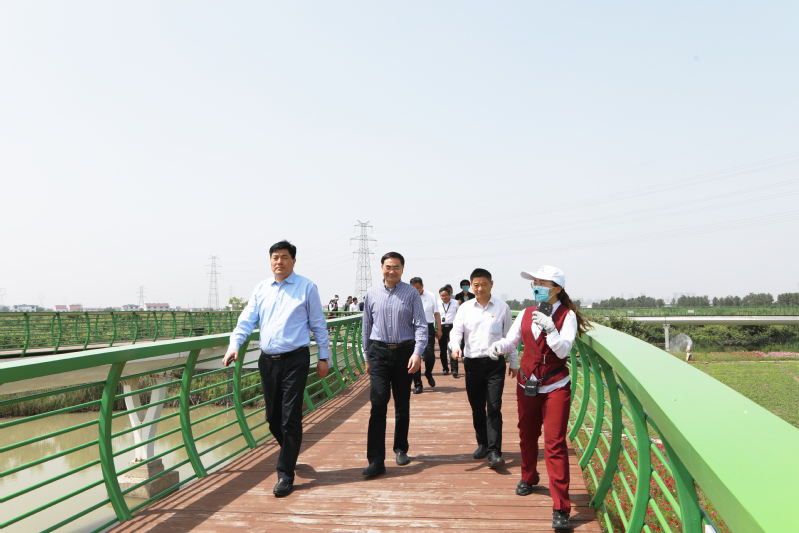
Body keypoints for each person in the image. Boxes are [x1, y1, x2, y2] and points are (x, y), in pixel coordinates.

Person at [222, 240, 330, 498]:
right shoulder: (261, 289)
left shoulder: (307, 287)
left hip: (296, 359)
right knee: (272, 418)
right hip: (268, 361)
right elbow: (246, 320)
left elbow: (318, 324)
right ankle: (290, 451)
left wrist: (324, 357)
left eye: (284, 257)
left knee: (290, 417)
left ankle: (285, 474)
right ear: (270, 261)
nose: (279, 261)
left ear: (293, 261)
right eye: (275, 257)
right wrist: (234, 345)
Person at [489, 265, 591, 530]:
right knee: (526, 433)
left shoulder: (567, 315)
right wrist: (499, 346)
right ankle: (528, 476)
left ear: (557, 289)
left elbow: (563, 350)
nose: (537, 287)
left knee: (555, 444)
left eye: (542, 284)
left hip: (555, 385)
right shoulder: (526, 313)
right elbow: (512, 341)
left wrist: (551, 330)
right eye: (535, 283)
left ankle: (561, 507)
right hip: (527, 383)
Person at [361, 252, 427, 476]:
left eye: (396, 267)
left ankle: (400, 448)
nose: (392, 271)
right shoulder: (371, 293)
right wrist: (367, 356)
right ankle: (375, 460)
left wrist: (417, 353)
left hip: (404, 352)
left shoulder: (411, 293)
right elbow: (366, 327)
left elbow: (421, 325)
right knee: (378, 403)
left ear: (403, 269)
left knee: (402, 403)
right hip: (379, 352)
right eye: (388, 267)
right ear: (382, 268)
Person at [450, 268, 516, 470]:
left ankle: (495, 451)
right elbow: (456, 332)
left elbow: (510, 337)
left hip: (495, 364)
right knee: (477, 407)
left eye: (484, 284)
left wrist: (514, 361)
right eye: (476, 285)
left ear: (491, 284)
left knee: (494, 407)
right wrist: (455, 347)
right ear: (471, 286)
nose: (480, 288)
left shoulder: (503, 307)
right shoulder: (465, 308)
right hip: (472, 364)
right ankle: (482, 443)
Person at [409, 277, 442, 394]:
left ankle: (428, 373)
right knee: (415, 356)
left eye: (418, 288)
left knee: (429, 356)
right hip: (412, 328)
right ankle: (418, 384)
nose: (416, 290)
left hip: (428, 327)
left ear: (422, 286)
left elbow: (436, 313)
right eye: (413, 288)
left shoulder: (431, 296)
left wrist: (439, 329)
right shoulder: (407, 296)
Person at [437, 287, 459, 375]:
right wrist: (438, 329)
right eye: (441, 295)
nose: (443, 297)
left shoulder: (455, 303)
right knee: (443, 350)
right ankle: (445, 368)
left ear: (449, 294)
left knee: (453, 348)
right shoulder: (437, 303)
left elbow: (459, 315)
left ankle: (454, 369)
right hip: (441, 327)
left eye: (445, 295)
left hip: (452, 327)